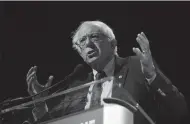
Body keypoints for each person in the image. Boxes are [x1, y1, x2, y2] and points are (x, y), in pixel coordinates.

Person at [26, 20, 188, 124]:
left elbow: (179, 110)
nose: (88, 43)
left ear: (113, 44)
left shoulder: (135, 66)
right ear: (80, 53)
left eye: (94, 37)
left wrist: (152, 76)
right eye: (82, 41)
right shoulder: (77, 85)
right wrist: (40, 104)